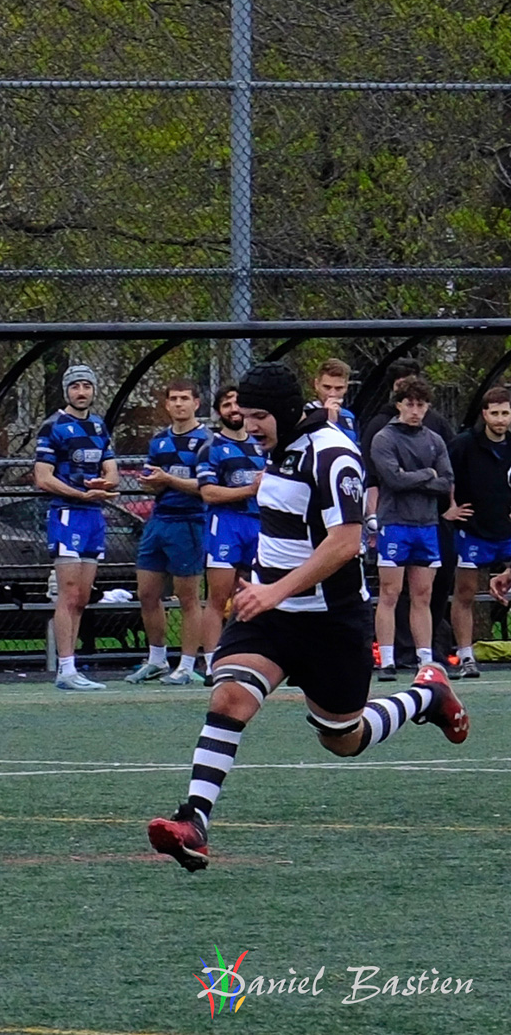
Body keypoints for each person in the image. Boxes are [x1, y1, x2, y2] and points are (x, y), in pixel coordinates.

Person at [147, 362, 468, 872]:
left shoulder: (333, 454)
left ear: (284, 411)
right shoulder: (279, 447)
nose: (248, 425)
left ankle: (428, 695)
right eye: (241, 414)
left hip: (331, 621)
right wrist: (268, 588)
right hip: (272, 614)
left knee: (344, 738)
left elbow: (344, 543)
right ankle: (194, 820)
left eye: (257, 416)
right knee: (230, 695)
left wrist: (276, 590)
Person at [33, 363, 121, 691]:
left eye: (86, 386)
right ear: (66, 391)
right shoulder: (53, 426)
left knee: (82, 597)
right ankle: (65, 668)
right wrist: (83, 493)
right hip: (67, 514)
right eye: (75, 387)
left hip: (93, 518)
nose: (81, 392)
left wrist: (103, 485)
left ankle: (73, 667)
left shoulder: (99, 426)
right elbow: (43, 478)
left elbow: (112, 472)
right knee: (68, 593)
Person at [126, 379, 210, 685]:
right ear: (166, 404)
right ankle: (157, 659)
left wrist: (170, 480)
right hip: (158, 521)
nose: (178, 404)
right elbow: (154, 477)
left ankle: (187, 665)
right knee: (147, 593)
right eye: (173, 399)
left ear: (196, 403)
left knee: (188, 597)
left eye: (184, 398)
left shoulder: (207, 441)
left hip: (189, 522)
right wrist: (151, 482)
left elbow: (206, 487)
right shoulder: (159, 441)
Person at [369, 376, 453, 679]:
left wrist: (417, 476)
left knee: (423, 594)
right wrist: (427, 474)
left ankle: (425, 658)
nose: (415, 410)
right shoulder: (385, 438)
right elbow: (392, 479)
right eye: (409, 404)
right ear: (399, 404)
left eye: (421, 404)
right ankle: (388, 659)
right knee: (390, 592)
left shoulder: (434, 439)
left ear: (427, 406)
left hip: (426, 525)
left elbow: (446, 482)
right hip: (395, 524)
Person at [193, 383, 266, 683]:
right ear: (219, 412)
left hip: (260, 524)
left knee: (263, 592)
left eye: (238, 403)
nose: (233, 410)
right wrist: (250, 489)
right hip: (226, 524)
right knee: (218, 596)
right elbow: (208, 492)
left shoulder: (262, 445)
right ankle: (212, 663)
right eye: (226, 405)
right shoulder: (211, 447)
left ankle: (261, 658)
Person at [446, 385, 511, 678]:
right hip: (472, 529)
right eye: (495, 413)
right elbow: (445, 476)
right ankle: (466, 655)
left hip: (507, 529)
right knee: (466, 592)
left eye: (505, 413)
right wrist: (449, 508)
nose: (500, 419)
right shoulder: (464, 444)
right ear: (484, 414)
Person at [310, 358, 359, 441]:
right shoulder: (306, 414)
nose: (332, 394)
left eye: (339, 388)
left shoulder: (348, 416)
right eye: (327, 387)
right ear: (317, 385)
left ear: (346, 387)